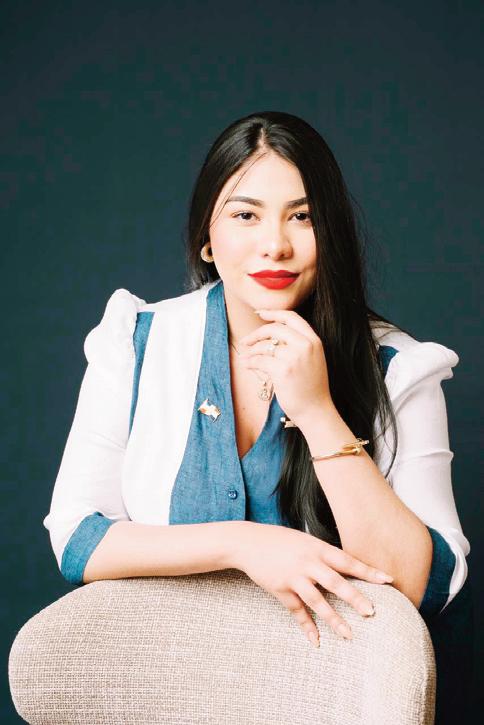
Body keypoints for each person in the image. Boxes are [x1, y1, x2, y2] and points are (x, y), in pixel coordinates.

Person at [43, 111, 472, 720]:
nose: (276, 244)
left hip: (332, 698)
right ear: (207, 236)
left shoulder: (400, 368)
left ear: (332, 233)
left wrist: (317, 411)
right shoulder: (136, 342)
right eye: (246, 215)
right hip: (169, 689)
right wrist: (247, 544)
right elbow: (78, 538)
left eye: (302, 216)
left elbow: (422, 586)